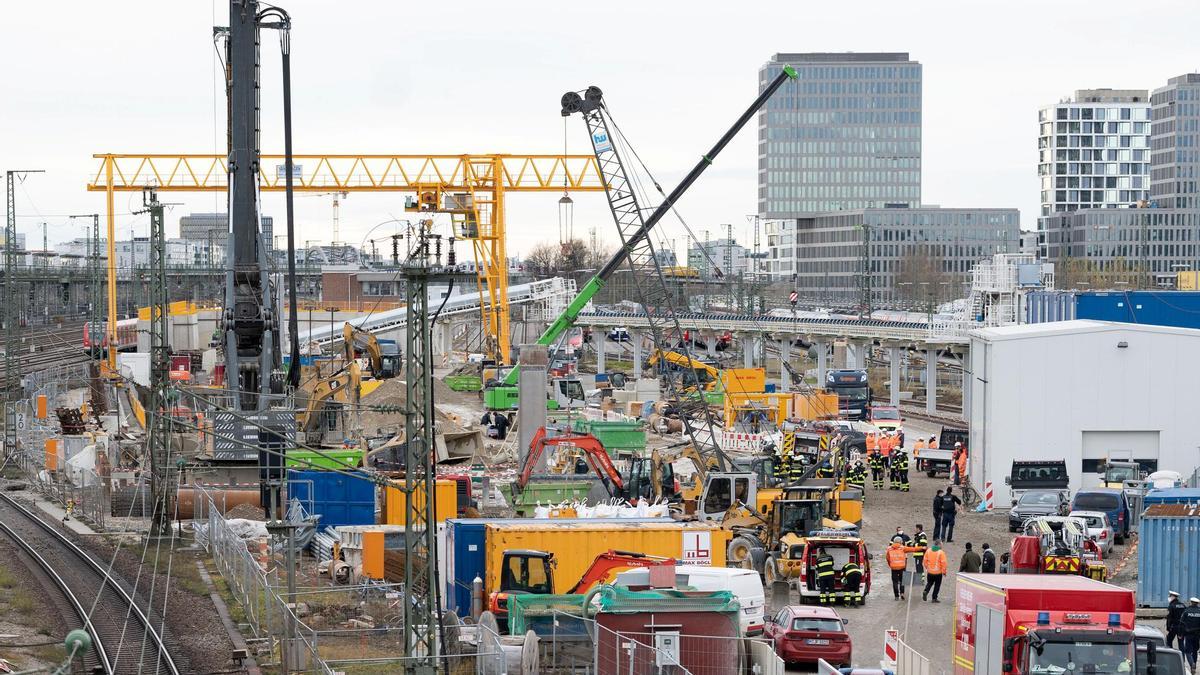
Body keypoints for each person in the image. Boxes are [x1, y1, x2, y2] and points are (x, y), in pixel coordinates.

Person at [1181, 596, 1200, 670]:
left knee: (1188, 651)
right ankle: (1194, 665)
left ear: (1191, 602)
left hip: (1188, 634)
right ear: (1197, 603)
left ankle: (1192, 663)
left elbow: (1181, 623)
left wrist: (1180, 634)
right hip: (1197, 635)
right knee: (1195, 651)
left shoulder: (1186, 611)